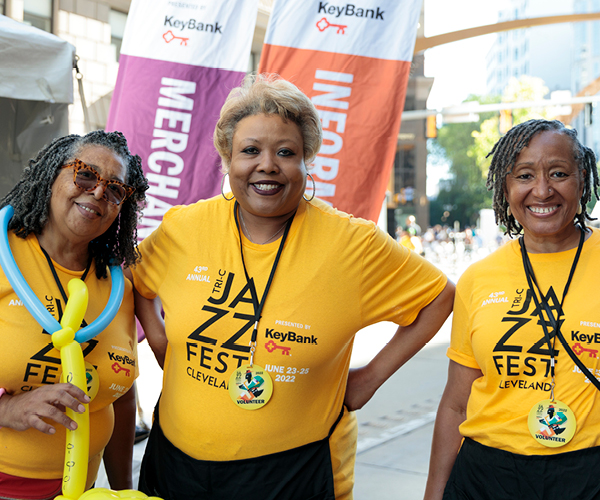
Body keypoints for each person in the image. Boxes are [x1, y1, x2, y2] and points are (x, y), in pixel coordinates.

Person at [131, 73, 454, 500]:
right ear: (227, 159)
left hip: (295, 472)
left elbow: (439, 296)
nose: (267, 165)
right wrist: (158, 338)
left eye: (286, 152)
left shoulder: (351, 243)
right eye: (250, 151)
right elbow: (133, 280)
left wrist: (370, 378)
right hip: (177, 465)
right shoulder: (184, 228)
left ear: (307, 160)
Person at [424, 119, 600, 500]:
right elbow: (456, 403)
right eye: (524, 175)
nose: (542, 190)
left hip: (587, 473)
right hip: (487, 475)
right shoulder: (478, 278)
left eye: (558, 173)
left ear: (582, 178)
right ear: (506, 187)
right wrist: (434, 493)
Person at [0, 130, 148, 499]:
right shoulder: (5, 257)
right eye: (85, 174)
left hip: (79, 487)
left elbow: (121, 395)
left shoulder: (119, 286)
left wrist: (121, 490)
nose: (98, 192)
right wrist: (6, 409)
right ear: (53, 175)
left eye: (115, 189)